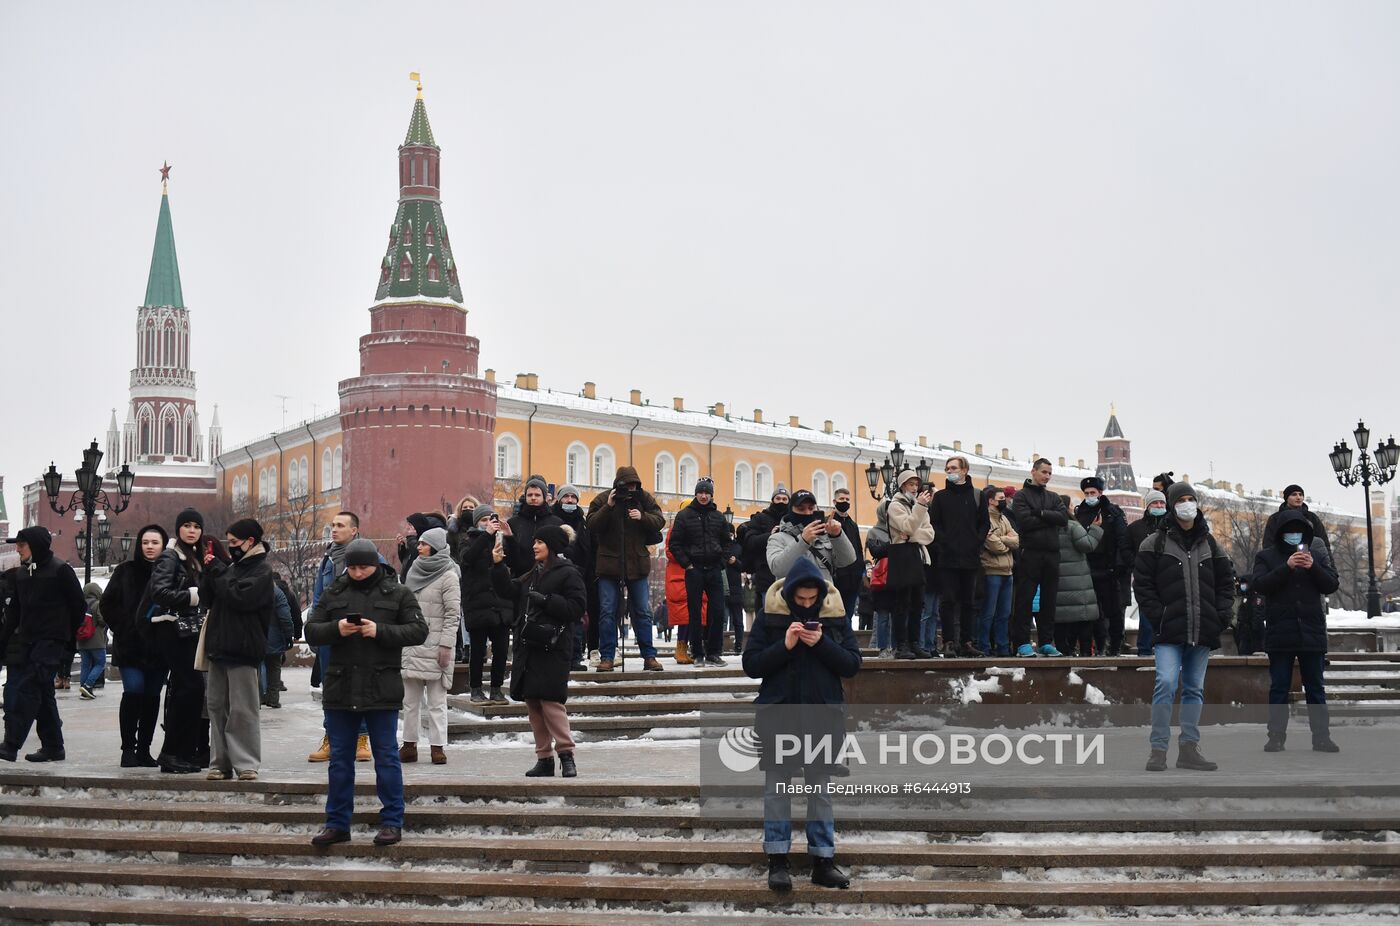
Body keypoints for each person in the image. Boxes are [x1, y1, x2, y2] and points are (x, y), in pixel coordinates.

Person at [743, 556, 861, 893]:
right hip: (779, 714)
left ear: (821, 595)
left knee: (819, 791)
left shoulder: (836, 617)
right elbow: (751, 664)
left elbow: (852, 664)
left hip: (823, 716)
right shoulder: (771, 616)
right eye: (801, 599)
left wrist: (822, 643)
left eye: (813, 599)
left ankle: (823, 860)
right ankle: (777, 860)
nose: (807, 605)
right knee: (777, 790)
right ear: (792, 593)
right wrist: (786, 645)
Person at [305, 538, 428, 848]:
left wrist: (380, 631)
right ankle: (336, 823)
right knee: (340, 761)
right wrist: (337, 629)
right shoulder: (335, 591)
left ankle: (392, 822)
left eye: (364, 567)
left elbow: (418, 630)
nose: (358, 573)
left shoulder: (397, 591)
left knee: (386, 757)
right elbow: (311, 630)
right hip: (340, 686)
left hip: (381, 686)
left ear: (376, 564)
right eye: (353, 567)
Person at [1134, 482, 1234, 772]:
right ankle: (1158, 749)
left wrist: (1222, 614)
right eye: (1182, 500)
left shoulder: (1211, 543)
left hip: (1202, 627)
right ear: (1172, 504)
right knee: (1165, 683)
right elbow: (1143, 585)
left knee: (1194, 689)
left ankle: (1189, 749)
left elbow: (1227, 584)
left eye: (1191, 499)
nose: (1187, 504)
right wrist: (1158, 615)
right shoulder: (1154, 543)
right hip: (1169, 628)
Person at [492, 524, 587, 777]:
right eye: (534, 541)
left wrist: (546, 601)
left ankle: (566, 755)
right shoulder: (534, 572)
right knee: (533, 702)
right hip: (529, 645)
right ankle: (543, 758)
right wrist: (498, 566)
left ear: (552, 545)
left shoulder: (569, 573)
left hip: (554, 647)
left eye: (540, 542)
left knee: (551, 702)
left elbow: (577, 608)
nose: (534, 546)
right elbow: (509, 591)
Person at [1250, 508, 1340, 753]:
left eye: (1299, 532)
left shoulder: (1315, 555)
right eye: (1289, 531)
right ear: (1281, 533)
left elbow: (1332, 584)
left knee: (1315, 687)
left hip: (1311, 631)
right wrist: (1286, 567)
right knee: (1279, 686)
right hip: (1281, 632)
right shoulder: (1266, 556)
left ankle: (1321, 737)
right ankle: (1276, 737)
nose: (1294, 536)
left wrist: (1313, 568)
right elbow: (1260, 585)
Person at [140, 508, 220, 774]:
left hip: (189, 631)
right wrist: (191, 596)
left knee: (190, 691)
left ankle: (181, 752)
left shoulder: (194, 558)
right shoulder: (170, 557)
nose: (192, 530)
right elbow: (159, 592)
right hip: (172, 630)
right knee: (189, 688)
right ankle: (171, 753)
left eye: (196, 526)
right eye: (186, 525)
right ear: (178, 529)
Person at [198, 518, 275, 782]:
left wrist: (218, 572)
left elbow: (240, 598)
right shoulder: (232, 567)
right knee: (217, 706)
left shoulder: (262, 571)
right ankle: (219, 762)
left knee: (243, 709)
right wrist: (207, 574)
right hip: (219, 646)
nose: (230, 548)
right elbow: (208, 599)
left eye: (234, 543)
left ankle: (246, 763)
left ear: (250, 542)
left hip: (243, 648)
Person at [0, 527, 85, 763]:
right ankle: (54, 746)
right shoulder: (22, 575)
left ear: (35, 545)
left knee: (28, 688)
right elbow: (15, 612)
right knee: (43, 693)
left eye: (21, 545)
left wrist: (65, 638)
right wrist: (3, 642)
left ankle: (11, 744)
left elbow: (78, 606)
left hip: (51, 642)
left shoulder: (60, 570)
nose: (17, 549)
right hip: (29, 642)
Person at [309, 511, 378, 763]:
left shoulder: (371, 557)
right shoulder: (328, 559)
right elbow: (318, 598)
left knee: (360, 685)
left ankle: (362, 738)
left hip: (361, 633)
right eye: (332, 525)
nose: (334, 530)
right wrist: (317, 628)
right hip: (332, 634)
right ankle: (332, 737)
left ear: (354, 530)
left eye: (340, 525)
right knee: (332, 689)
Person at [100, 524, 169, 766]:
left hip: (159, 646)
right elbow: (106, 604)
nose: (150, 547)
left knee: (151, 697)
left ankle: (144, 749)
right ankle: (128, 748)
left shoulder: (169, 572)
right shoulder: (125, 571)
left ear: (163, 545)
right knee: (133, 690)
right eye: (145, 542)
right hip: (130, 646)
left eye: (155, 542)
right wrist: (126, 626)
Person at [586, 466, 665, 673]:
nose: (630, 488)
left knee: (643, 612)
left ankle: (649, 656)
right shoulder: (604, 499)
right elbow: (592, 524)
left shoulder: (644, 499)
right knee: (607, 611)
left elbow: (659, 520)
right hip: (609, 565)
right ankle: (607, 657)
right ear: (618, 484)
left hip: (637, 565)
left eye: (634, 485)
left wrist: (643, 517)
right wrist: (609, 506)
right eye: (627, 485)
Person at [400, 527, 461, 766]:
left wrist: (446, 645)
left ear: (434, 546)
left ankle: (438, 748)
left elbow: (453, 613)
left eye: (424, 544)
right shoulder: (414, 570)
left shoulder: (449, 575)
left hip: (437, 648)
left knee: (437, 703)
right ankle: (409, 746)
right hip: (413, 644)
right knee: (409, 701)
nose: (419, 547)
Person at [668, 478, 734, 667]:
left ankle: (714, 652)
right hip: (694, 570)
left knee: (718, 612)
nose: (704, 496)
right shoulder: (684, 515)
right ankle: (697, 653)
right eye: (700, 492)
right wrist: (687, 564)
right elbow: (675, 543)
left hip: (714, 569)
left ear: (711, 495)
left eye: (707, 493)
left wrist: (722, 562)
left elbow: (727, 542)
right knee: (694, 613)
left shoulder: (719, 516)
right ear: (696, 494)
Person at [1010, 460, 1069, 657]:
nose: (1047, 476)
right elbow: (1024, 521)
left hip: (1052, 554)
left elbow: (1063, 518)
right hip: (1031, 553)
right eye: (1044, 472)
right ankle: (1022, 642)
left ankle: (1046, 641)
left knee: (1049, 600)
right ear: (1033, 471)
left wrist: (1041, 513)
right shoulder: (1021, 496)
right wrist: (1049, 518)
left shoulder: (1053, 496)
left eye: (1050, 473)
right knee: (1025, 599)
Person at [931, 456, 983, 657]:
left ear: (965, 470)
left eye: (953, 468)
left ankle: (967, 642)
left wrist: (976, 541)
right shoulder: (941, 497)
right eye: (947, 468)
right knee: (948, 601)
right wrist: (945, 542)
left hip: (970, 557)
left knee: (968, 601)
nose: (950, 471)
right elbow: (934, 523)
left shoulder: (977, 495)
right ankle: (949, 642)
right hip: (948, 557)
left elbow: (984, 523)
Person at [459, 505, 512, 703]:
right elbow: (467, 559)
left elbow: (514, 561)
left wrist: (510, 537)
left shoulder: (500, 541)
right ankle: (476, 688)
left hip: (500, 604)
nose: (489, 524)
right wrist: (485, 535)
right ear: (476, 523)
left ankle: (497, 688)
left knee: (500, 649)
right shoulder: (468, 541)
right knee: (478, 650)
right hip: (478, 604)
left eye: (492, 520)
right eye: (484, 520)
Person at [884, 471, 935, 660]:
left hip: (918, 556)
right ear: (902, 485)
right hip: (902, 557)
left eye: (916, 484)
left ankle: (915, 643)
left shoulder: (918, 506)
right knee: (902, 603)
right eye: (910, 484)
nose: (914, 488)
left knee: (917, 603)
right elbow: (907, 526)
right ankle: (901, 644)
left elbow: (929, 534)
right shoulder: (895, 506)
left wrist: (912, 535)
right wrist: (919, 510)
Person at [1079, 477, 1132, 656]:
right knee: (1093, 614)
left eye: (1092, 493)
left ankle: (1115, 645)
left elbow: (1123, 540)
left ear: (1100, 493)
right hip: (1087, 569)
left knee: (1113, 611)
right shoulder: (1081, 512)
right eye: (1086, 493)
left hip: (1110, 570)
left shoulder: (1113, 512)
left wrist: (1120, 566)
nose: (1089, 496)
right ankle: (1098, 645)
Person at [767, 490, 857, 586]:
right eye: (801, 509)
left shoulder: (825, 535)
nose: (807, 513)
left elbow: (848, 559)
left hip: (823, 597)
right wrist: (803, 540)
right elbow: (778, 569)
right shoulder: (777, 538)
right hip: (791, 598)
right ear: (791, 511)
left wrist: (837, 535)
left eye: (811, 508)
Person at [552, 484, 597, 671]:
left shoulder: (584, 522)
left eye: (573, 497)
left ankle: (576, 657)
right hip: (555, 575)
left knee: (577, 619)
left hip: (580, 576)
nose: (569, 500)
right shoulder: (552, 519)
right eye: (566, 496)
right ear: (559, 499)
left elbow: (590, 549)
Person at [1054, 496, 1103, 657]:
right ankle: (1085, 655)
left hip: (1058, 582)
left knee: (1060, 622)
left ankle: (1062, 653)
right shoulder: (1072, 526)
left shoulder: (1049, 527)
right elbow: (1087, 545)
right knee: (1083, 620)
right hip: (1079, 583)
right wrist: (1095, 529)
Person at [977, 487, 1019, 657]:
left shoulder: (1004, 519)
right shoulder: (985, 518)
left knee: (1004, 614)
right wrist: (1006, 541)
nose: (1004, 500)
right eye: (1001, 498)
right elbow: (994, 546)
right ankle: (984, 647)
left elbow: (1017, 541)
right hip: (991, 571)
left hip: (1007, 572)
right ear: (991, 500)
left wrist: (1002, 539)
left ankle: (1003, 647)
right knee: (988, 613)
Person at [1127, 490, 1169, 655]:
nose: (1159, 506)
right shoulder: (1135, 528)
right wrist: (1137, 566)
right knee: (1146, 616)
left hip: (1169, 578)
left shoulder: (1173, 527)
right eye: (1155, 503)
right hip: (1145, 580)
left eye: (1161, 503)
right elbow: (1126, 551)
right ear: (1148, 505)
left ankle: (1166, 649)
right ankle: (1144, 650)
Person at [738, 488, 790, 605]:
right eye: (778, 498)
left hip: (789, 574)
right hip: (766, 573)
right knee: (768, 612)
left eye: (784, 499)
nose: (781, 501)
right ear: (772, 500)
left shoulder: (792, 519)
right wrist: (769, 535)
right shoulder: (760, 518)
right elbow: (750, 542)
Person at [503, 477, 563, 578]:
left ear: (544, 497)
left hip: (549, 577)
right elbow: (508, 556)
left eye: (537, 495)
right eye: (530, 495)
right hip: (519, 578)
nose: (533, 498)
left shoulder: (556, 522)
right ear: (525, 497)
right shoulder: (513, 522)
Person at [1262, 485, 1332, 558]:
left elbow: (1324, 544)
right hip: (1281, 560)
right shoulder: (1275, 518)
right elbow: (1268, 543)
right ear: (1286, 498)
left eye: (1301, 494)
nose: (1298, 497)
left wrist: (1330, 567)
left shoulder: (1312, 518)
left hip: (1308, 560)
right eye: (1294, 494)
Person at [261, 572, 297, 709]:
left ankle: (258, 698)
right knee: (274, 668)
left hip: (257, 635)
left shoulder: (254, 592)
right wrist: (289, 635)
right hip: (275, 637)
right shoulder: (277, 593)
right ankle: (273, 699)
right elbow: (285, 617)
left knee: (258, 667)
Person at [830, 487, 864, 631]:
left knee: (849, 614)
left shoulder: (852, 524)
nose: (844, 502)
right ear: (834, 501)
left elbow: (858, 549)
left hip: (854, 577)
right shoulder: (830, 523)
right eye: (841, 499)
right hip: (838, 576)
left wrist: (861, 570)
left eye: (847, 500)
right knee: (837, 613)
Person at [77, 582, 109, 700]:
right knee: (100, 663)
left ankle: (83, 689)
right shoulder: (97, 604)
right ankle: (88, 685)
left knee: (85, 665)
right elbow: (102, 621)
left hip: (81, 641)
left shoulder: (80, 605)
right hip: (96, 641)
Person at [396, 512, 447, 581]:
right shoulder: (413, 541)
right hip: (407, 581)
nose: (408, 527)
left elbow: (417, 554)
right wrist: (401, 547)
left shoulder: (425, 542)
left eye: (410, 525)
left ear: (417, 526)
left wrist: (411, 537)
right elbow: (406, 561)